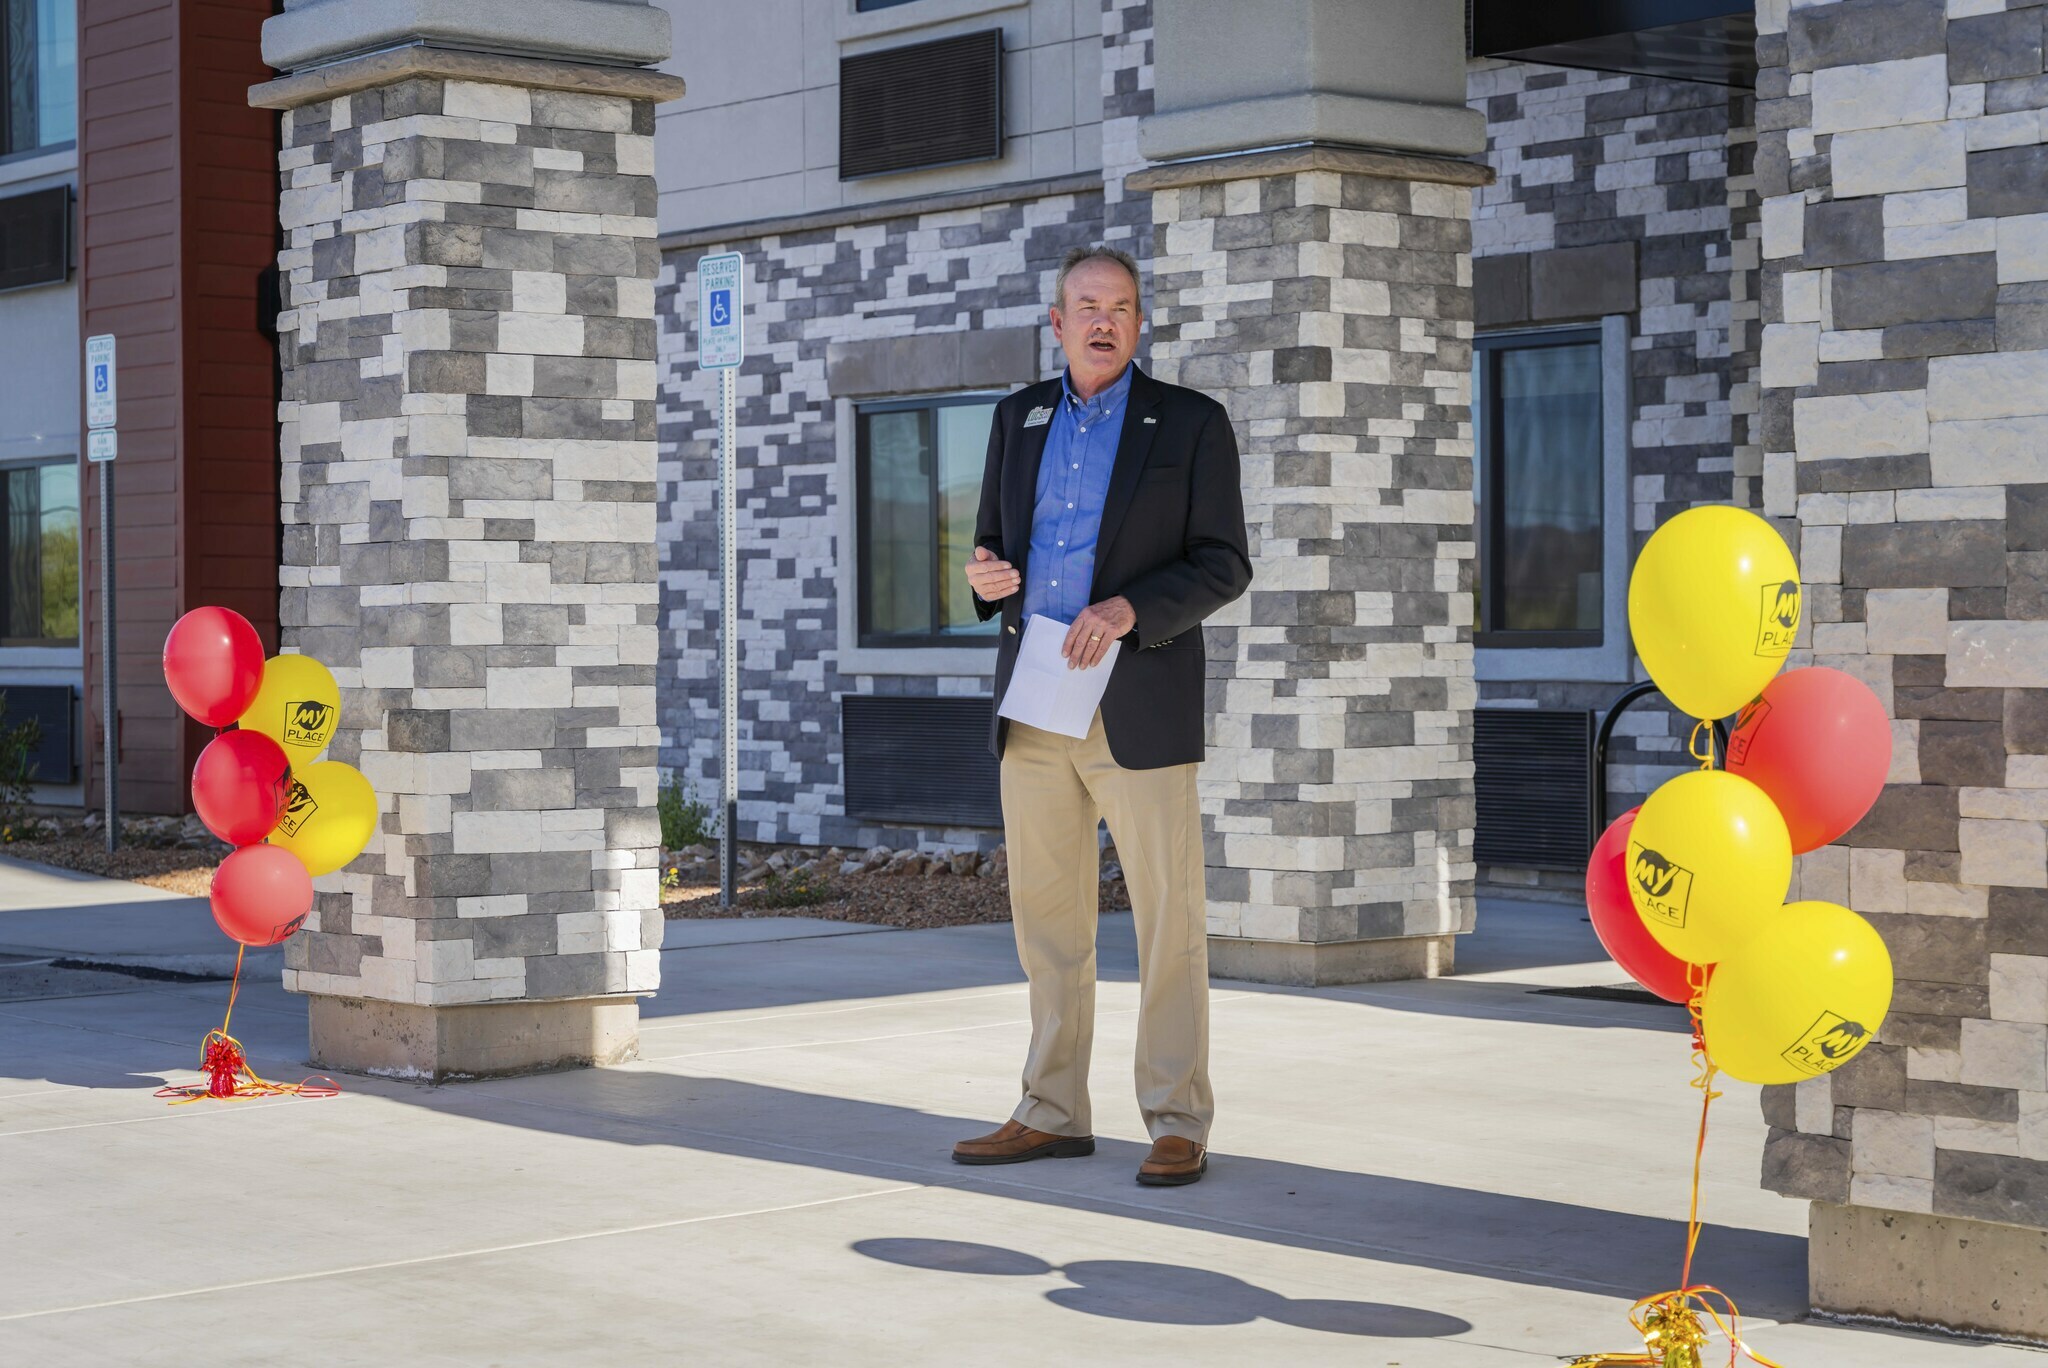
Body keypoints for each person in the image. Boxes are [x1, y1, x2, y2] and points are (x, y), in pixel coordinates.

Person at [951, 245, 1252, 1187]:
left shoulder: (1192, 425)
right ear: (1057, 320)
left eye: (1120, 306)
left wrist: (1131, 611)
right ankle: (1051, 1109)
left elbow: (1223, 562)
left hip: (1139, 701)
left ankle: (1175, 1118)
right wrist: (984, 576)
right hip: (1035, 702)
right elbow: (997, 545)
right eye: (1086, 305)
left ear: (1137, 321)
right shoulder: (1019, 416)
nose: (1103, 320)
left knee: (1169, 921)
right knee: (1047, 923)